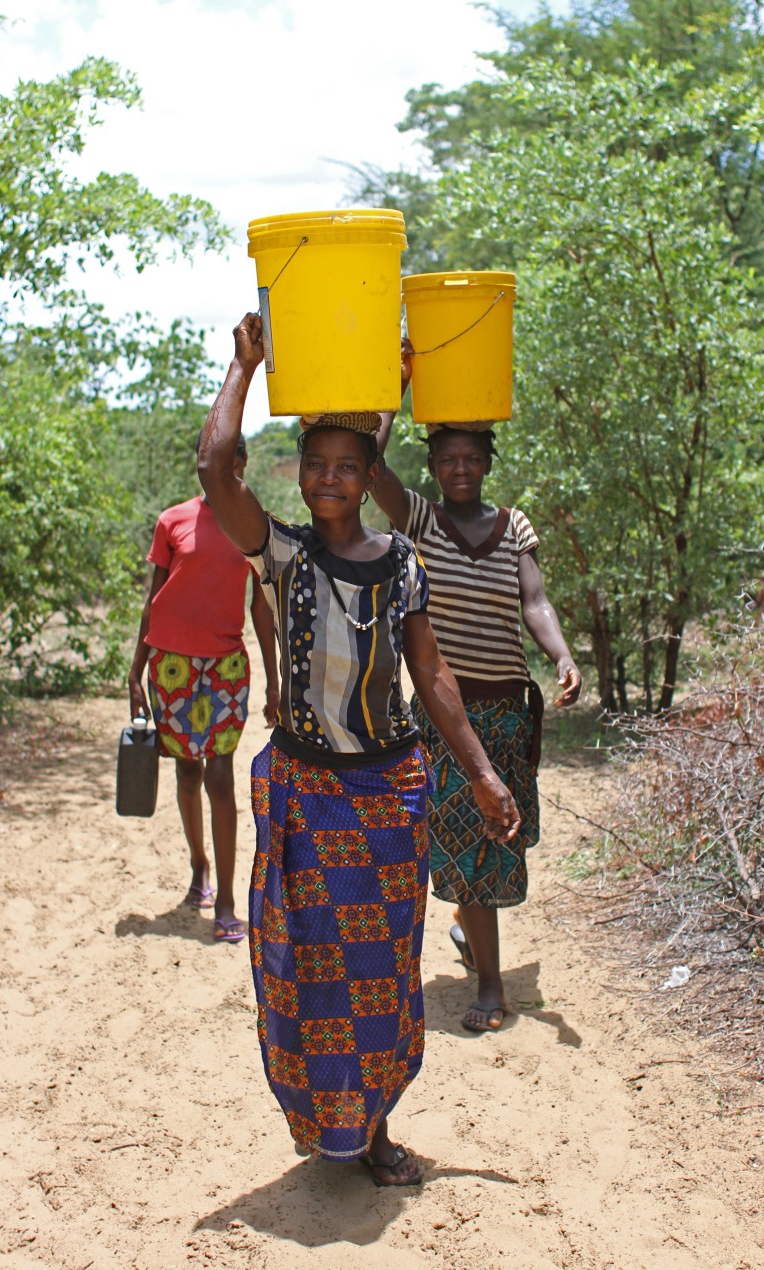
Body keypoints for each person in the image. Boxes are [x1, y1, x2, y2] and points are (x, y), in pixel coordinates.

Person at [197, 313, 521, 1188]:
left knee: (382, 969)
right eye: (316, 465)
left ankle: (375, 1124)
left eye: (348, 467)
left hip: (386, 792)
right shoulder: (284, 556)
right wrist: (243, 367)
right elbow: (213, 467)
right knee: (305, 964)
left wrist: (485, 774)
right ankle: (322, 1123)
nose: (330, 479)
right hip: (306, 790)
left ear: (367, 477)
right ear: (298, 476)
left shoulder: (403, 562)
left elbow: (434, 674)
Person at [371, 341, 581, 1032]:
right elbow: (368, 468)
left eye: (471, 458)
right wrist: (395, 391)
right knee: (471, 841)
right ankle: (491, 986)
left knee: (493, 841)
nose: (459, 468)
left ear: (487, 463)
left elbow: (535, 601)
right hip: (443, 717)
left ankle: (471, 935)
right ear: (432, 468)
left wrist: (560, 656)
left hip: (506, 714)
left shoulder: (512, 524)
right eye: (447, 459)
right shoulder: (421, 522)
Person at [128, 436, 280, 943]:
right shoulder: (173, 521)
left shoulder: (250, 524)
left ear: (239, 464)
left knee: (220, 776)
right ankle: (199, 870)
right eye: (204, 460)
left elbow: (261, 606)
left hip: (225, 668)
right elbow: (154, 600)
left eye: (224, 459)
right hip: (170, 664)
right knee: (188, 773)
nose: (210, 468)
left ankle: (230, 901)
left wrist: (275, 680)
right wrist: (135, 670)